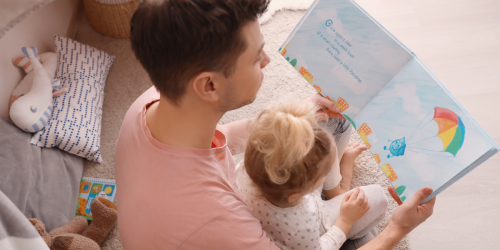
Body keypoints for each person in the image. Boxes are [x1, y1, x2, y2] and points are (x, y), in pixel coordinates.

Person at [114, 0, 436, 249]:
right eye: (256, 58)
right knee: (372, 219)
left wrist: (293, 116)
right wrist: (398, 229)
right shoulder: (219, 218)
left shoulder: (150, 102)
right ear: (209, 85)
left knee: (327, 128)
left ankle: (332, 189)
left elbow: (218, 138)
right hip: (257, 229)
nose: (267, 61)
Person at [236, 101, 388, 250]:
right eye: (324, 173)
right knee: (379, 197)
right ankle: (343, 189)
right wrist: (345, 220)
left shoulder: (245, 167)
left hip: (294, 196)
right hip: (319, 218)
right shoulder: (301, 227)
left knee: (333, 124)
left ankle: (338, 193)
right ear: (297, 194)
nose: (326, 172)